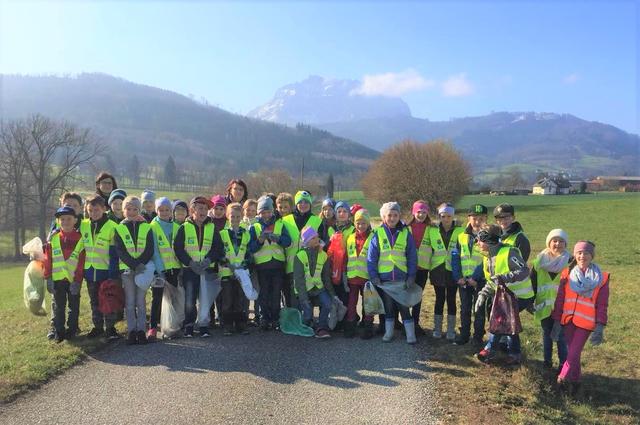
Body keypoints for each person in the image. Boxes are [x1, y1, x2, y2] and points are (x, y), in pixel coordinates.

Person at [551, 241, 609, 395]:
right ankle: (576, 382)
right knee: (573, 353)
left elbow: (602, 304)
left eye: (586, 253)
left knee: (573, 353)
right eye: (579, 253)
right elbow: (560, 299)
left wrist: (600, 326)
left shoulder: (601, 278)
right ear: (575, 255)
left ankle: (561, 379)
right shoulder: (567, 274)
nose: (582, 256)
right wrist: (557, 320)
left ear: (592, 256)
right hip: (568, 320)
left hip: (586, 322)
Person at [475, 224, 533, 365]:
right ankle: (514, 353)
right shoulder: (487, 256)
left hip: (520, 295)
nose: (477, 243)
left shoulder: (509, 252)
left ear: (487, 240)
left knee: (502, 319)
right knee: (509, 323)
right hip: (506, 297)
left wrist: (505, 277)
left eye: (479, 239)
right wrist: (483, 294)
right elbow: (492, 281)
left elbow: (524, 270)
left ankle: (490, 350)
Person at [367, 202, 418, 344]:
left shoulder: (406, 233)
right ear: (383, 216)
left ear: (399, 216)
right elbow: (372, 258)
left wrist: (411, 276)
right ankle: (389, 333)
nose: (392, 218)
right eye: (389, 215)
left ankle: (410, 335)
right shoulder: (377, 233)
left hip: (402, 279)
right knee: (388, 308)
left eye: (395, 215)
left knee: (404, 307)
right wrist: (374, 276)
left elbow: (412, 256)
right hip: (385, 281)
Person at [173, 196, 223, 337]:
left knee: (205, 299)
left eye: (206, 209)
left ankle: (203, 325)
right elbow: (178, 248)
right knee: (190, 300)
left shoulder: (212, 227)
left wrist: (208, 260)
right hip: (190, 270)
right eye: (200, 208)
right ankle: (189, 325)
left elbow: (218, 248)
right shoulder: (184, 227)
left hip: (207, 269)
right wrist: (190, 263)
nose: (204, 211)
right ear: (192, 210)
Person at [114, 196, 155, 345]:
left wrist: (140, 264)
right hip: (127, 270)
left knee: (141, 301)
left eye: (135, 209)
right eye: (128, 209)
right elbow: (120, 250)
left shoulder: (147, 227)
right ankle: (131, 331)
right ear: (124, 210)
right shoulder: (119, 228)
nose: (131, 212)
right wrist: (133, 265)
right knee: (130, 301)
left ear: (139, 210)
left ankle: (141, 331)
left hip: (143, 269)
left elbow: (150, 248)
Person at [80, 195, 120, 340]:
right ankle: (97, 327)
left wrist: (112, 274)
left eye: (96, 210)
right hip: (90, 271)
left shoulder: (112, 227)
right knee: (94, 301)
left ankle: (110, 328)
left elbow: (114, 254)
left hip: (106, 270)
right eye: (90, 210)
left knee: (108, 300)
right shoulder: (83, 225)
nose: (93, 213)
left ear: (104, 209)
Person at [43, 206, 85, 342]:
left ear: (75, 220)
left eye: (69, 219)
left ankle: (72, 331)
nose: (65, 222)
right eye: (62, 219)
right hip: (57, 280)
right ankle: (59, 333)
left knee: (74, 307)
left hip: (73, 280)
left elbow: (81, 262)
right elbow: (48, 259)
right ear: (58, 221)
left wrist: (77, 281)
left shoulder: (80, 239)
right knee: (58, 307)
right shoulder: (53, 239)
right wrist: (48, 277)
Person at [249, 196, 291, 330]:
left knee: (276, 293)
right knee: (264, 293)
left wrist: (278, 239)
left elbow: (288, 241)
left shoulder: (280, 224)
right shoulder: (254, 227)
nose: (266, 215)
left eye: (268, 211)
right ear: (258, 213)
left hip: (278, 265)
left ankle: (275, 318)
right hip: (262, 266)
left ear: (272, 211)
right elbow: (250, 247)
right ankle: (264, 318)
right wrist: (260, 241)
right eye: (263, 212)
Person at [531, 229, 571, 371]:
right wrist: (530, 302)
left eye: (561, 241)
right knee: (546, 335)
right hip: (544, 307)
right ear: (549, 243)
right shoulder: (539, 262)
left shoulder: (571, 263)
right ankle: (547, 362)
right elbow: (533, 284)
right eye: (554, 240)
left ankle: (563, 365)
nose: (557, 244)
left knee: (561, 337)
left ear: (565, 244)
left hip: (563, 308)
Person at [451, 204, 488, 346]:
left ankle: (478, 337)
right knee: (465, 308)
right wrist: (458, 276)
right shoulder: (461, 236)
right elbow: (455, 257)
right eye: (475, 218)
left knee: (478, 310)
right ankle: (464, 335)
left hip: (480, 281)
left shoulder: (488, 237)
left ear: (486, 219)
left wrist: (476, 278)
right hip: (463, 281)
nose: (478, 221)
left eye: (481, 218)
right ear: (469, 218)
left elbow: (487, 259)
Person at [281, 190, 325, 307]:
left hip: (310, 268)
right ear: (296, 204)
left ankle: (307, 322)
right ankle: (294, 323)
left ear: (310, 204)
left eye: (306, 202)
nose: (303, 204)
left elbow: (322, 242)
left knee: (307, 301)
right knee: (292, 300)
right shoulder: (285, 220)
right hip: (290, 267)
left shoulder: (317, 221)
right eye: (300, 202)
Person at [428, 203, 464, 341]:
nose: (446, 219)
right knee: (439, 299)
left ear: (453, 216)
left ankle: (450, 330)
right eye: (443, 216)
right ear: (440, 216)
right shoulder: (432, 230)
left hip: (453, 271)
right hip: (437, 269)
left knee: (451, 300)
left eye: (449, 216)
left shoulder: (460, 231)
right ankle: (437, 329)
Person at [148, 197, 181, 340]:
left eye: (167, 210)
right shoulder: (152, 227)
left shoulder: (177, 227)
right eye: (161, 210)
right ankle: (153, 328)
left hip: (174, 268)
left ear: (171, 211)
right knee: (157, 299)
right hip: (159, 270)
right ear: (156, 211)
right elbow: (154, 251)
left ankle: (171, 327)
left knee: (173, 299)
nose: (164, 212)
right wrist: (160, 270)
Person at [294, 226, 335, 339]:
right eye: (313, 238)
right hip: (304, 290)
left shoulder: (323, 255)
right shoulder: (300, 256)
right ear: (306, 241)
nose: (317, 239)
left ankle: (322, 327)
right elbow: (299, 279)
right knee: (307, 312)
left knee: (327, 303)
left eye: (317, 236)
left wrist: (332, 294)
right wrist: (304, 298)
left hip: (319, 288)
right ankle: (308, 323)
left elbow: (326, 278)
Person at [218, 203, 253, 335]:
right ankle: (227, 325)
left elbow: (249, 254)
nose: (235, 219)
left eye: (238, 216)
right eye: (232, 216)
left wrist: (242, 265)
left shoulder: (246, 234)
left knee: (240, 299)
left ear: (242, 216)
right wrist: (228, 265)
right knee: (227, 300)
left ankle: (241, 324)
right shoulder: (222, 234)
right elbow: (219, 253)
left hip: (241, 273)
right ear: (227, 216)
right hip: (227, 272)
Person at [345, 209, 375, 339]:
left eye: (363, 223)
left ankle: (368, 327)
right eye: (358, 223)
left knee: (368, 303)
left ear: (368, 223)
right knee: (351, 303)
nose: (361, 226)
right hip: (352, 277)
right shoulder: (350, 237)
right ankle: (351, 326)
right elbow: (347, 256)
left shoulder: (373, 237)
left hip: (367, 277)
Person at [406, 200, 432, 336]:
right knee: (406, 296)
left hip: (423, 268)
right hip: (408, 268)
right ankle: (406, 323)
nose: (421, 214)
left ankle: (415, 323)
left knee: (418, 297)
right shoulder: (406, 228)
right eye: (418, 212)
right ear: (413, 212)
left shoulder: (431, 228)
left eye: (424, 212)